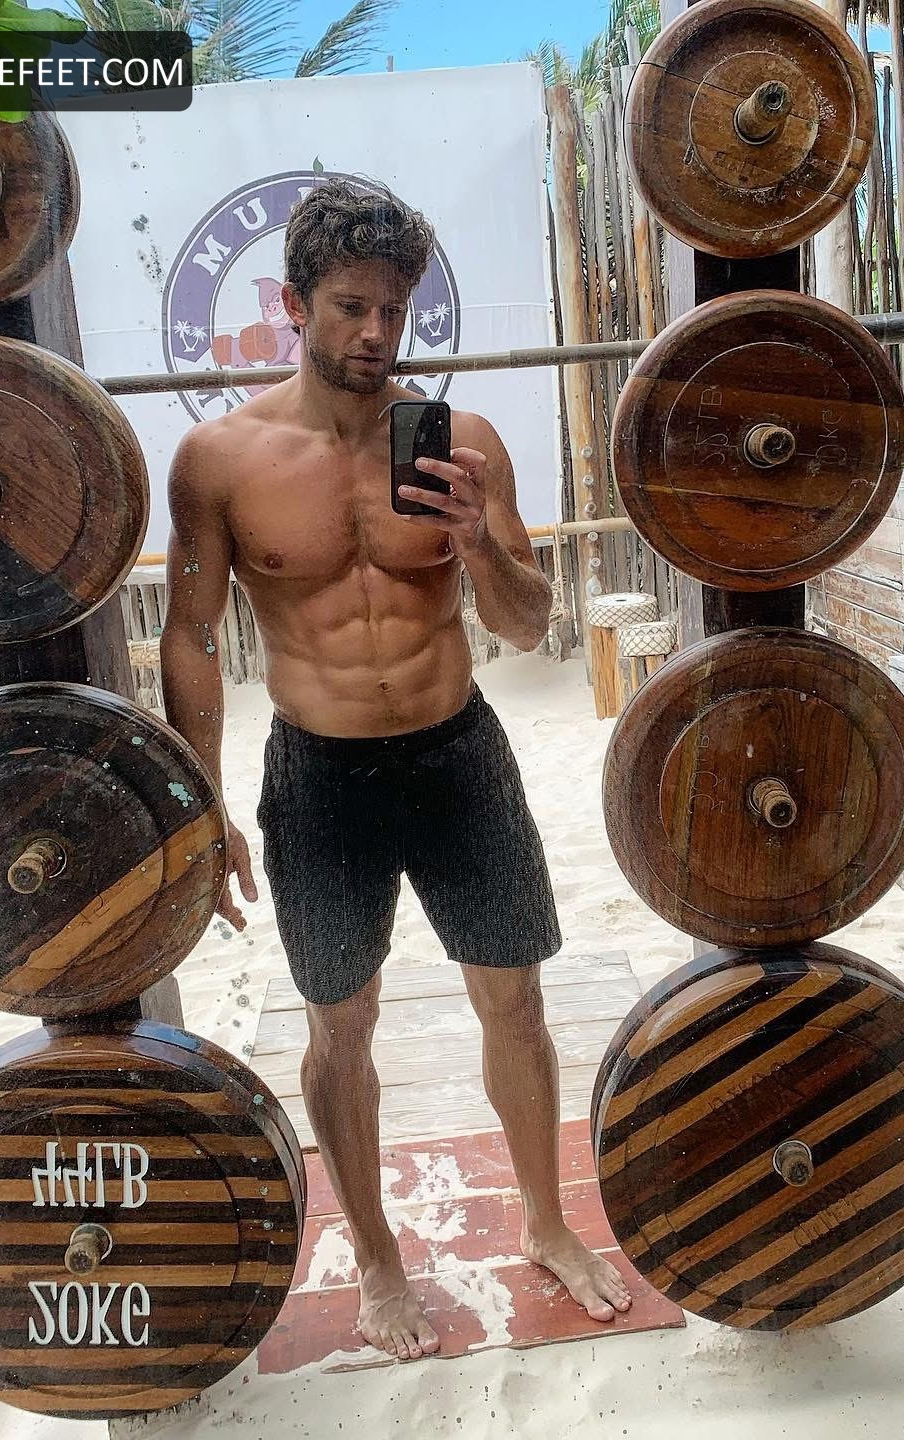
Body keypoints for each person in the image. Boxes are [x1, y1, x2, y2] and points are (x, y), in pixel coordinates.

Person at [159, 179, 633, 1362]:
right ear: (293, 305)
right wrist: (202, 800)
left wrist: (475, 543)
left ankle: (545, 1222)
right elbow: (192, 635)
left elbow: (528, 623)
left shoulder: (461, 444)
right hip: (319, 775)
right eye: (351, 307)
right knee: (341, 1025)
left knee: (514, 999)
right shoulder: (220, 459)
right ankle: (377, 1257)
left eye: (395, 309)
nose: (377, 332)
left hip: (456, 751)